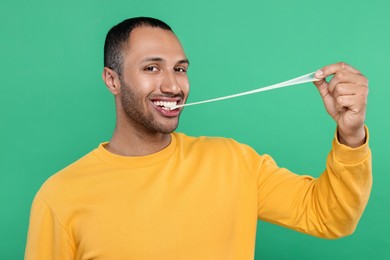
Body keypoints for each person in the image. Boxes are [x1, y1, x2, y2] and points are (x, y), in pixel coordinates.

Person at [25, 17, 372, 259]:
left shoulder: (233, 162)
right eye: (151, 68)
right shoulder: (60, 198)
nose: (173, 86)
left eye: (179, 69)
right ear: (112, 80)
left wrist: (351, 133)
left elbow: (330, 217)